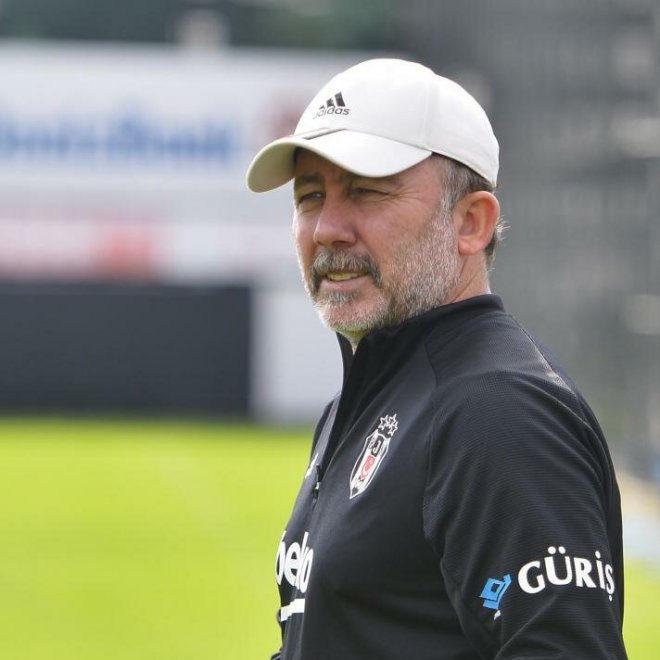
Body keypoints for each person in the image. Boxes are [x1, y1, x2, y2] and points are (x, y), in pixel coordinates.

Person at [245, 58, 627, 660]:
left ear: (471, 223)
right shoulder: (368, 399)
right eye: (310, 196)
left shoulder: (497, 409)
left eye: (367, 191)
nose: (327, 229)